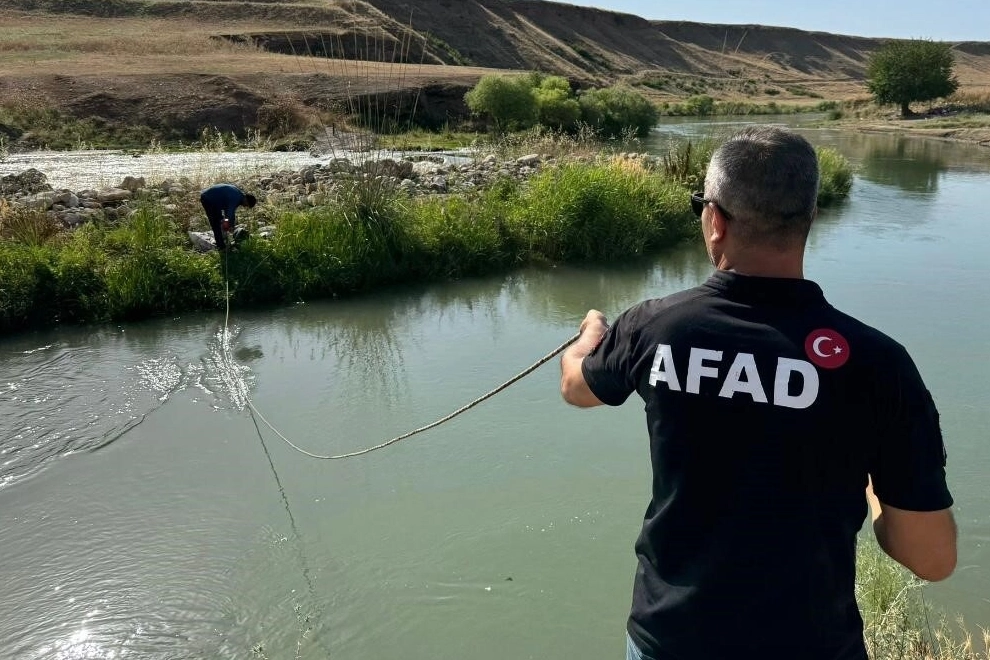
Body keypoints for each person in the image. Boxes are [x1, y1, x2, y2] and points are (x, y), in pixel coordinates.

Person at [559, 126, 956, 660]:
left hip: (672, 639)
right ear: (809, 220)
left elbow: (578, 387)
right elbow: (932, 558)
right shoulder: (878, 363)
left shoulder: (654, 328)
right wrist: (873, 491)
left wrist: (588, 336)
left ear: (715, 220)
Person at [199, 183, 256, 251]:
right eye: (247, 205)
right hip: (208, 199)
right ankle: (221, 247)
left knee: (220, 220)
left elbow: (230, 212)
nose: (245, 206)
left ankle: (222, 240)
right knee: (215, 224)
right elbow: (229, 213)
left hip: (214, 200)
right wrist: (227, 225)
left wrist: (231, 225)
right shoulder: (236, 198)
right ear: (246, 200)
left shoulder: (239, 195)